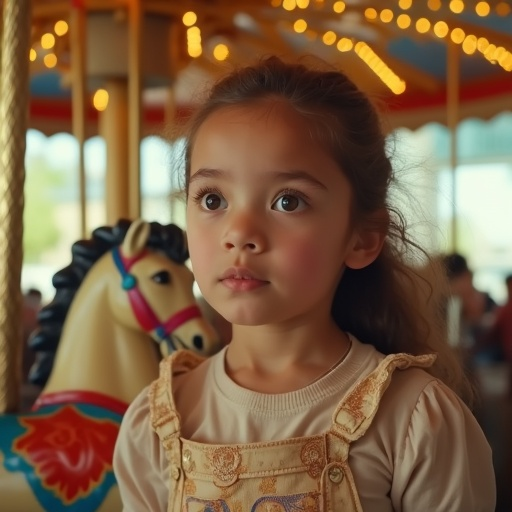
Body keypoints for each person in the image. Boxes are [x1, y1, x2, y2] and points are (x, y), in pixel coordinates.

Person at [114, 56, 495, 511]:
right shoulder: (157, 422)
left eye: (288, 201)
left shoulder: (415, 419)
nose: (239, 233)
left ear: (362, 237)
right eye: (212, 198)